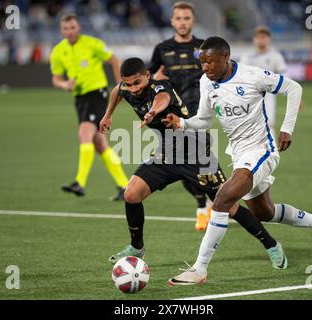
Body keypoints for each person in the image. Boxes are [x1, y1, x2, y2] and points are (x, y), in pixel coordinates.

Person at [164, 37, 312, 285]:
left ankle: (199, 269)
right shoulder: (207, 82)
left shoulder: (252, 75)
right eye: (202, 62)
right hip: (238, 154)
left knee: (223, 198)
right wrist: (182, 123)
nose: (205, 68)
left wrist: (287, 128)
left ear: (225, 57)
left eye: (209, 62)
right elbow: (204, 120)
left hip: (262, 150)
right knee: (264, 212)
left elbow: (294, 88)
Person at [100, 57, 288, 269]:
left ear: (147, 75)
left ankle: (271, 245)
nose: (133, 89)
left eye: (137, 83)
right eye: (128, 84)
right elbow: (117, 90)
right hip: (167, 154)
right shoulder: (125, 87)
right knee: (131, 194)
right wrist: (108, 115)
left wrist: (153, 111)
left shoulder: (161, 87)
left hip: (197, 154)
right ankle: (137, 247)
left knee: (230, 207)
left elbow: (162, 99)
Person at [50, 13, 129, 200]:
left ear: (79, 28)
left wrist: (121, 86)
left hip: (97, 94)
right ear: (61, 30)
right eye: (66, 28)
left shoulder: (92, 43)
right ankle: (124, 185)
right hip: (80, 98)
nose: (70, 31)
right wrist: (64, 85)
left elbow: (114, 60)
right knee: (99, 143)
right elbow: (56, 79)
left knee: (84, 133)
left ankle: (80, 182)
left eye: (73, 27)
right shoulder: (58, 51)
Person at [148, 1, 211, 230]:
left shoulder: (204, 47)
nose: (183, 22)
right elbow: (149, 77)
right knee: (181, 165)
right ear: (172, 21)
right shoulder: (162, 48)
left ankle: (206, 206)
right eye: (179, 18)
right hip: (173, 116)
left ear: (192, 21)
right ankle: (204, 204)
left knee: (201, 162)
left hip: (199, 113)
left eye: (186, 18)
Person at [240, 25, 286, 130]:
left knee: (269, 125)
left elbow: (284, 77)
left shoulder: (275, 56)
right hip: (250, 95)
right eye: (258, 37)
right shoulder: (247, 56)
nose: (261, 40)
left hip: (269, 94)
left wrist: (294, 95)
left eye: (264, 37)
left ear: (269, 39)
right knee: (249, 127)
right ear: (254, 39)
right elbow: (241, 76)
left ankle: (270, 146)